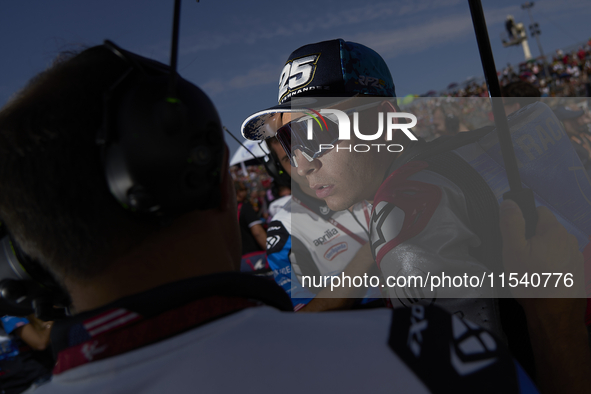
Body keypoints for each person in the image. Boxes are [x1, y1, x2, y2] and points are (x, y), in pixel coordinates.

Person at [0, 41, 579, 394]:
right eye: (286, 140)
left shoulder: (407, 226)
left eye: (314, 132)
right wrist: (557, 318)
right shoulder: (402, 314)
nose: (297, 159)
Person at [241, 38, 591, 386]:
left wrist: (557, 325)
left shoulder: (403, 214)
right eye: (290, 141)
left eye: (314, 132)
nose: (302, 165)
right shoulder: (473, 149)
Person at [264, 137, 381, 312]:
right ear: (278, 170)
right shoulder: (283, 228)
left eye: (311, 148)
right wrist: (369, 254)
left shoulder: (374, 181)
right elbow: (303, 315)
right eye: (291, 158)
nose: (306, 164)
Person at [0, 315, 53, 393]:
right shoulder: (9, 316)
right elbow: (40, 343)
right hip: (32, 381)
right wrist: (51, 321)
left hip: (30, 381)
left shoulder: (8, 317)